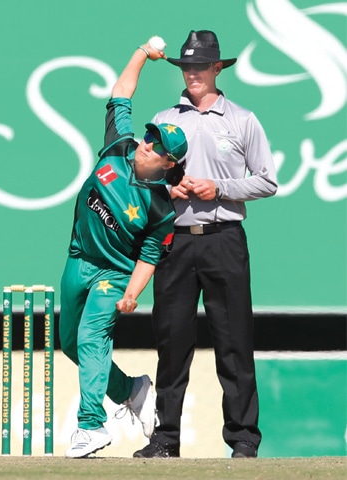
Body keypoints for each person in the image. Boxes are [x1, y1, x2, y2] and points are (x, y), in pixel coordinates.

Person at [133, 30, 278, 459]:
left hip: (223, 240)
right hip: (175, 241)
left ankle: (244, 439)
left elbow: (267, 181)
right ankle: (165, 439)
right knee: (171, 342)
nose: (193, 73)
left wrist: (220, 188)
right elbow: (143, 173)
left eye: (201, 66)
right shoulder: (164, 118)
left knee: (234, 341)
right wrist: (167, 188)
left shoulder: (242, 119)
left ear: (217, 68)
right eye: (186, 67)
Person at [59, 39, 188, 459]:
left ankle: (91, 426)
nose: (146, 144)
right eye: (149, 137)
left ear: (168, 163)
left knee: (93, 339)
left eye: (156, 146)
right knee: (70, 345)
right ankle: (132, 389)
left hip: (113, 277)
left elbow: (150, 255)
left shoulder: (160, 208)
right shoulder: (119, 146)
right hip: (78, 260)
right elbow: (121, 94)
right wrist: (140, 53)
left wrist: (132, 292)